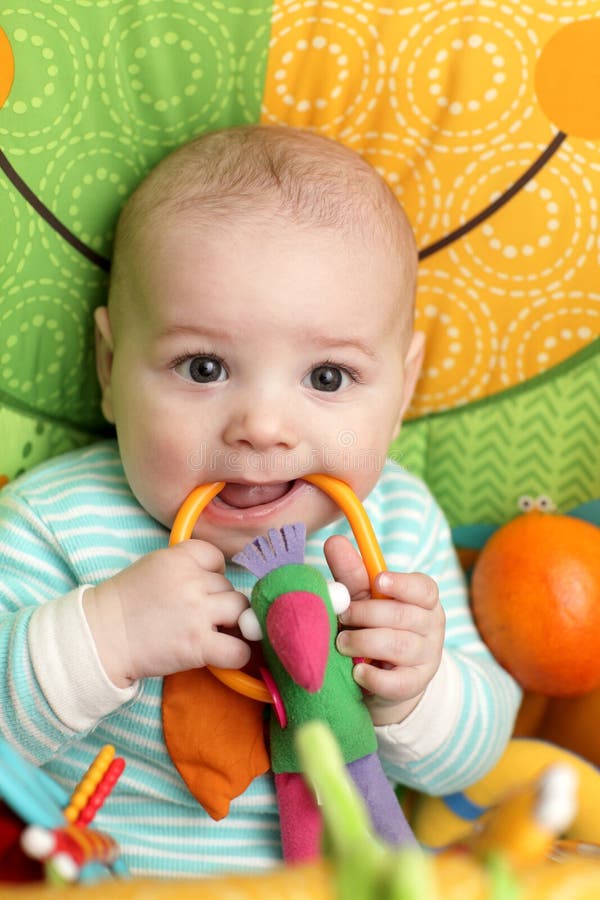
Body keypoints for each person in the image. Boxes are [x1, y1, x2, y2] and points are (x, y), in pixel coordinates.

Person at [0, 125, 521, 878]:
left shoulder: (397, 531)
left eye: (328, 378)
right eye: (204, 366)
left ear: (403, 390)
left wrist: (418, 689)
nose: (263, 428)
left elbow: (475, 754)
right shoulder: (58, 523)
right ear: (110, 368)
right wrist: (104, 634)